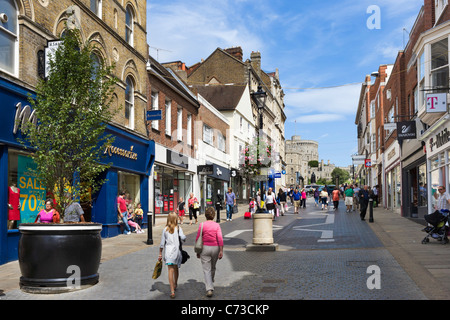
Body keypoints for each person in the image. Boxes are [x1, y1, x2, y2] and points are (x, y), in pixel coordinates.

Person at [195, 207, 224, 298]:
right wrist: (221, 250)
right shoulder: (217, 225)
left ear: (206, 215)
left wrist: (198, 251)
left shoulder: (202, 225)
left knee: (206, 269)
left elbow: (198, 238)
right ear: (214, 215)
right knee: (213, 267)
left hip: (205, 248)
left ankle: (209, 288)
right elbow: (220, 238)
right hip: (215, 248)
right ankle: (211, 281)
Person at [158, 212, 186, 298]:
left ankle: (172, 291)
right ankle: (175, 284)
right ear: (176, 219)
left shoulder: (165, 229)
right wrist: (183, 238)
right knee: (176, 268)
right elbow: (183, 238)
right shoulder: (178, 228)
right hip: (176, 252)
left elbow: (162, 243)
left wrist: (160, 254)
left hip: (168, 253)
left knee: (170, 271)